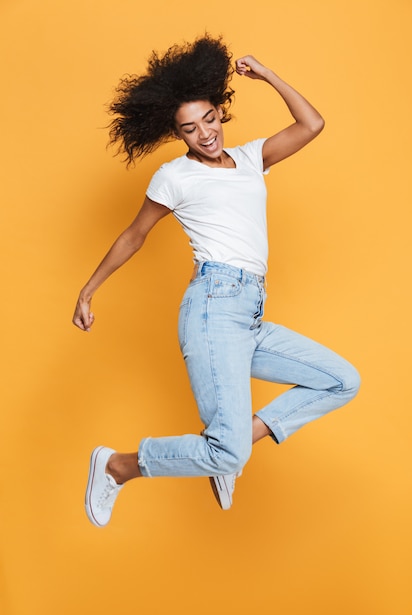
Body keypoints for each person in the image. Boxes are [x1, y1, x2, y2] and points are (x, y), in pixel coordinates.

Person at [73, 35, 360, 527]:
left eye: (210, 119)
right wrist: (88, 289)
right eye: (190, 129)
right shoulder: (174, 177)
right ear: (178, 134)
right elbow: (134, 235)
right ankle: (119, 466)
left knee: (341, 381)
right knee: (226, 453)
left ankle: (227, 445)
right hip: (212, 306)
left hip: (249, 312)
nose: (205, 134)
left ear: (221, 111)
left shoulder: (250, 159)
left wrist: (267, 74)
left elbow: (312, 123)